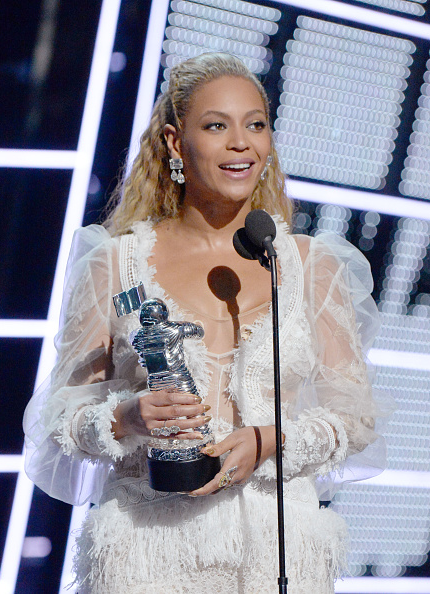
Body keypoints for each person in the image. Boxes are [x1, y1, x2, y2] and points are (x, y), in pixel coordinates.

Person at [23, 52, 386, 593]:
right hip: (146, 552)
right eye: (217, 126)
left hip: (277, 552)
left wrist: (270, 439)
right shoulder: (114, 264)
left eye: (255, 125)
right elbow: (60, 416)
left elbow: (354, 419)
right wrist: (125, 417)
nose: (242, 142)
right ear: (175, 143)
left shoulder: (312, 266)